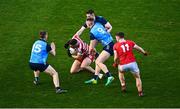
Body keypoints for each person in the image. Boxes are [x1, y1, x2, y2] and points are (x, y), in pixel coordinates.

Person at [113, 32, 148, 97]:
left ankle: (123, 85)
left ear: (118, 37)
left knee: (120, 71)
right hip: (132, 64)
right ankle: (140, 92)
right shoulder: (130, 42)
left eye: (116, 37)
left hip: (123, 65)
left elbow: (115, 57)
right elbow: (139, 48)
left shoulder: (115, 46)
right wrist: (144, 52)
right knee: (137, 77)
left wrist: (115, 63)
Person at [84, 18, 114, 86]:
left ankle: (109, 76)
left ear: (89, 24)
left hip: (108, 46)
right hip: (111, 43)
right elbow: (106, 28)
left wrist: (89, 52)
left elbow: (91, 46)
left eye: (86, 23)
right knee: (98, 61)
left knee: (98, 62)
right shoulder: (98, 24)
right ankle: (95, 79)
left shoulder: (92, 33)